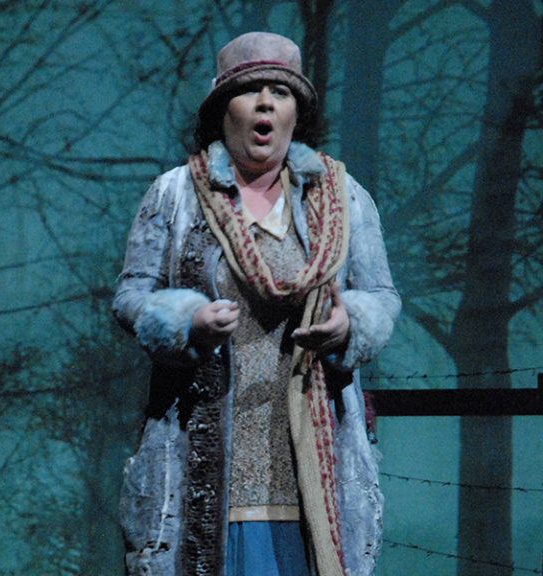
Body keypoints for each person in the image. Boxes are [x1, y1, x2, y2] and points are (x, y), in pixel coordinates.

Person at [113, 32, 400, 576]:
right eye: (250, 92)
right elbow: (131, 297)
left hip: (310, 462)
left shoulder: (343, 198)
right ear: (224, 111)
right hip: (200, 457)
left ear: (296, 114)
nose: (266, 103)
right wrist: (187, 320)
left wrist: (349, 324)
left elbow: (382, 296)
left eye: (280, 92)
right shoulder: (176, 194)